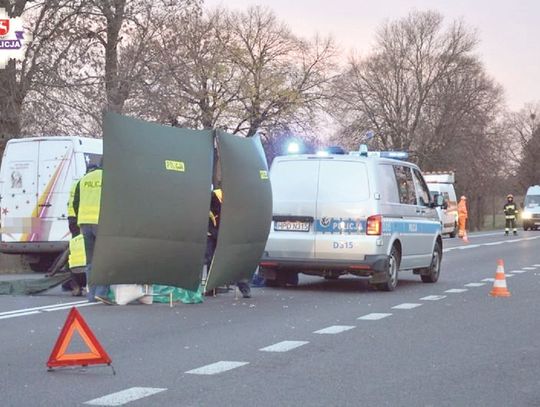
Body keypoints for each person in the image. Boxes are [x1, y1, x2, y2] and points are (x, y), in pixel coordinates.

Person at [72, 163, 110, 303]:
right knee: (105, 259)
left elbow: (76, 203)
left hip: (85, 223)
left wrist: (81, 220)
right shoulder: (108, 178)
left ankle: (91, 295)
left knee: (90, 261)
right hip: (102, 223)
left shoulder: (83, 180)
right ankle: (102, 293)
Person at [206, 187, 251, 298]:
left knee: (234, 259)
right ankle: (211, 288)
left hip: (228, 232)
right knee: (211, 259)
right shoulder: (210, 198)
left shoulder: (225, 197)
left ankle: (244, 287)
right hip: (213, 232)